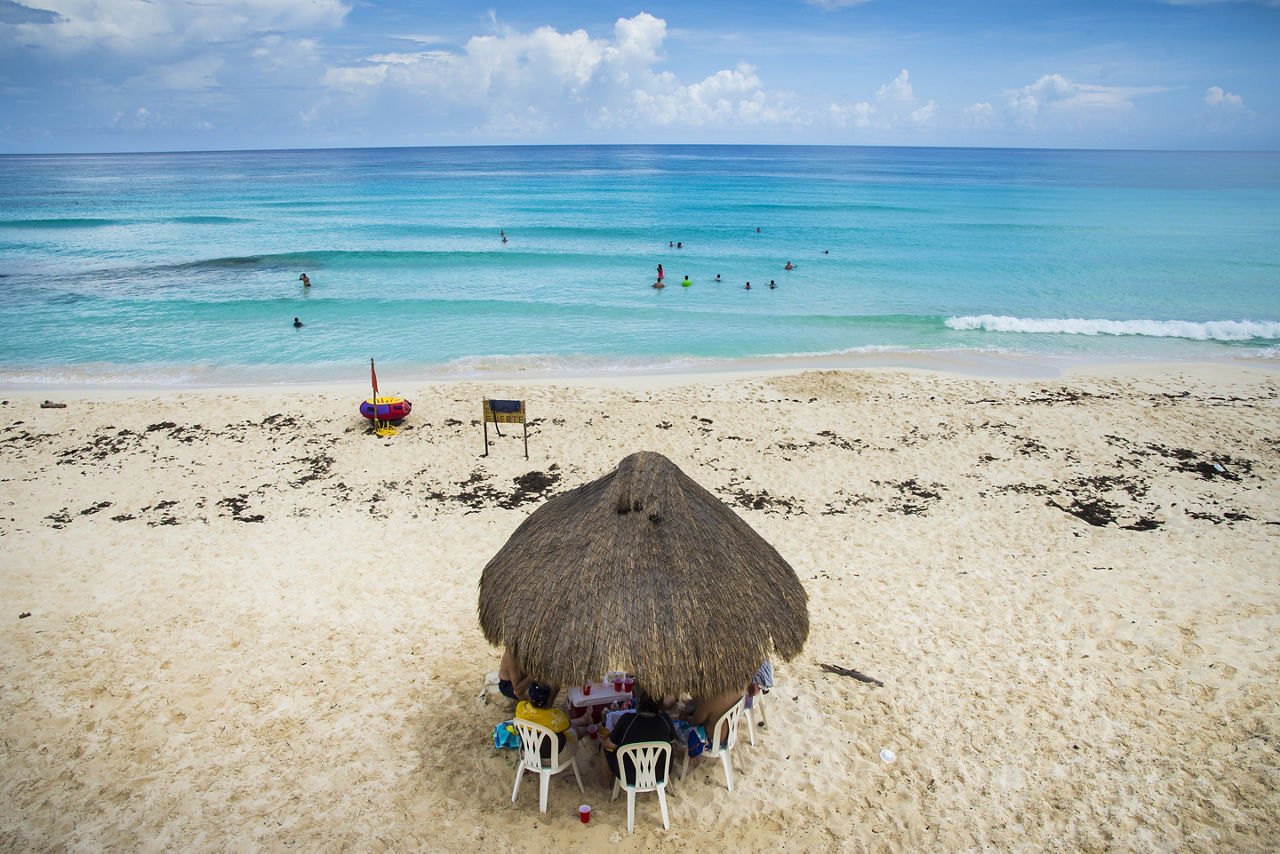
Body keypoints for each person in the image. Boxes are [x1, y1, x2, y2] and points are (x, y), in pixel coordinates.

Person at [598, 685, 676, 788]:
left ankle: (605, 782)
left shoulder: (626, 720)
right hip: (660, 774)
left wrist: (601, 739)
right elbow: (672, 741)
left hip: (630, 776)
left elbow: (610, 745)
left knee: (605, 748)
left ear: (638, 702)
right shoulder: (665, 719)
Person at [515, 681, 571, 757]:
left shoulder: (520, 708)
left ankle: (583, 720)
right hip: (552, 758)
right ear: (549, 698)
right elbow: (567, 726)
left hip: (529, 754)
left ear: (529, 695)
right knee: (574, 732)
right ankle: (585, 722)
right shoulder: (556, 717)